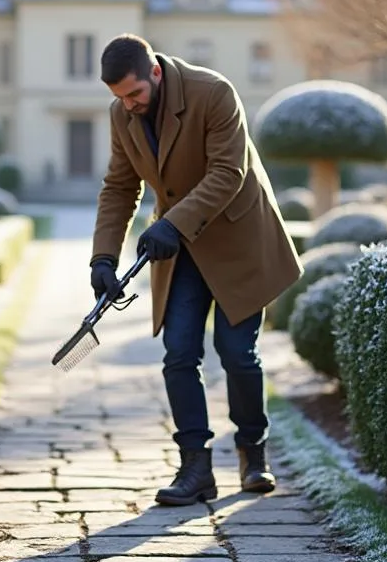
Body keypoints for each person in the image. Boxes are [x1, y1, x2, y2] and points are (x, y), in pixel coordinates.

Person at [88, 33, 304, 506]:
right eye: (120, 98)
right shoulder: (122, 114)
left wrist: (171, 223)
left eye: (134, 94)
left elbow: (228, 172)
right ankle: (195, 469)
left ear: (155, 72)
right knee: (179, 353)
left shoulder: (214, 93)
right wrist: (103, 257)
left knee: (237, 352)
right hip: (180, 249)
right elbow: (120, 187)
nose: (129, 106)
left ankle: (253, 454)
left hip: (238, 239)